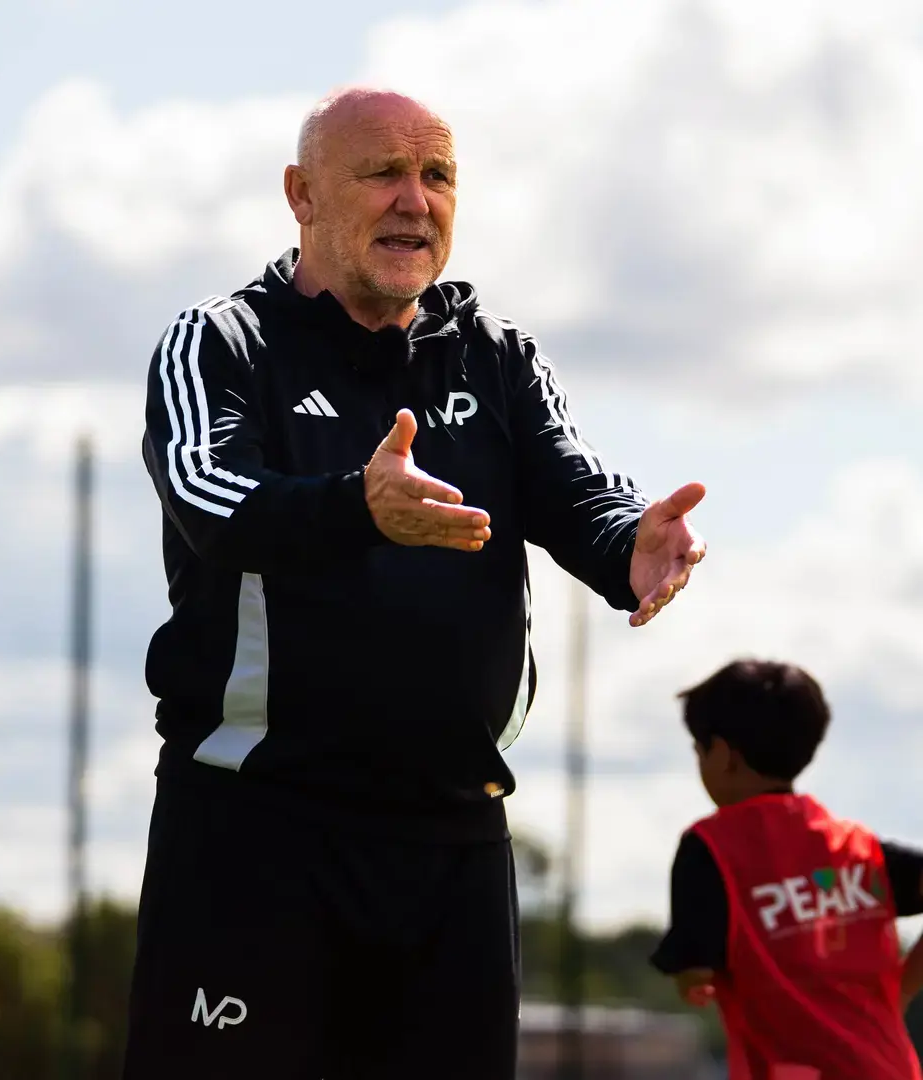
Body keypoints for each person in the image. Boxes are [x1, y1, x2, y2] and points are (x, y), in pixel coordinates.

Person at [124, 86, 707, 1080]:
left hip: (453, 837)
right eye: (382, 172)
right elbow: (211, 500)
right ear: (302, 194)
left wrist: (628, 544)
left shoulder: (498, 355)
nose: (415, 199)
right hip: (257, 830)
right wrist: (358, 506)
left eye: (437, 175)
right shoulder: (221, 343)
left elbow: (575, 486)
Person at [651, 659, 923, 1078]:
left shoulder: (710, 848)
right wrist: (903, 988)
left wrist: (692, 979)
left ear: (723, 754)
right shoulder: (857, 847)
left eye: (699, 750)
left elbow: (694, 975)